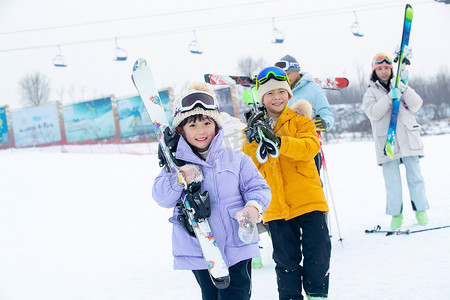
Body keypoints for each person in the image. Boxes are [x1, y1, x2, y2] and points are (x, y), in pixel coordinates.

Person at [152, 81, 271, 300]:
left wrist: (253, 208)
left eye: (206, 123)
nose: (201, 131)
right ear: (181, 130)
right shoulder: (175, 165)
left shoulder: (236, 158)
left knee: (236, 295)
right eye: (193, 126)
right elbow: (161, 197)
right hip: (199, 248)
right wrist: (178, 180)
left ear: (216, 124)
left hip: (237, 244)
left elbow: (259, 188)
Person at [241, 66, 331, 300]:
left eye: (281, 91)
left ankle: (317, 295)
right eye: (270, 93)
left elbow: (309, 148)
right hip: (276, 207)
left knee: (318, 253)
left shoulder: (301, 120)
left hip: (309, 200)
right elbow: (248, 165)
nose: (276, 97)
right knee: (285, 261)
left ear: (288, 94)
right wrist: (252, 140)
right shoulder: (253, 129)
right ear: (262, 98)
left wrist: (279, 142)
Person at [362, 52, 429, 230]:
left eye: (386, 68)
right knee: (392, 182)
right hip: (387, 142)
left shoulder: (401, 85)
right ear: (374, 72)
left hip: (408, 138)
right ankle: (396, 215)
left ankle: (421, 211)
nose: (383, 72)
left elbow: (416, 105)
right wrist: (389, 97)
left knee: (416, 178)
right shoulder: (370, 92)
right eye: (379, 69)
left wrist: (403, 88)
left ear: (392, 70)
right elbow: (373, 113)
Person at [275, 54, 334, 173]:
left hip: (307, 145)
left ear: (296, 70)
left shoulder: (313, 88)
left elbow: (326, 112)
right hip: (285, 146)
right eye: (283, 75)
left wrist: (325, 123)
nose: (286, 78)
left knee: (310, 183)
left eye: (288, 74)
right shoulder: (280, 91)